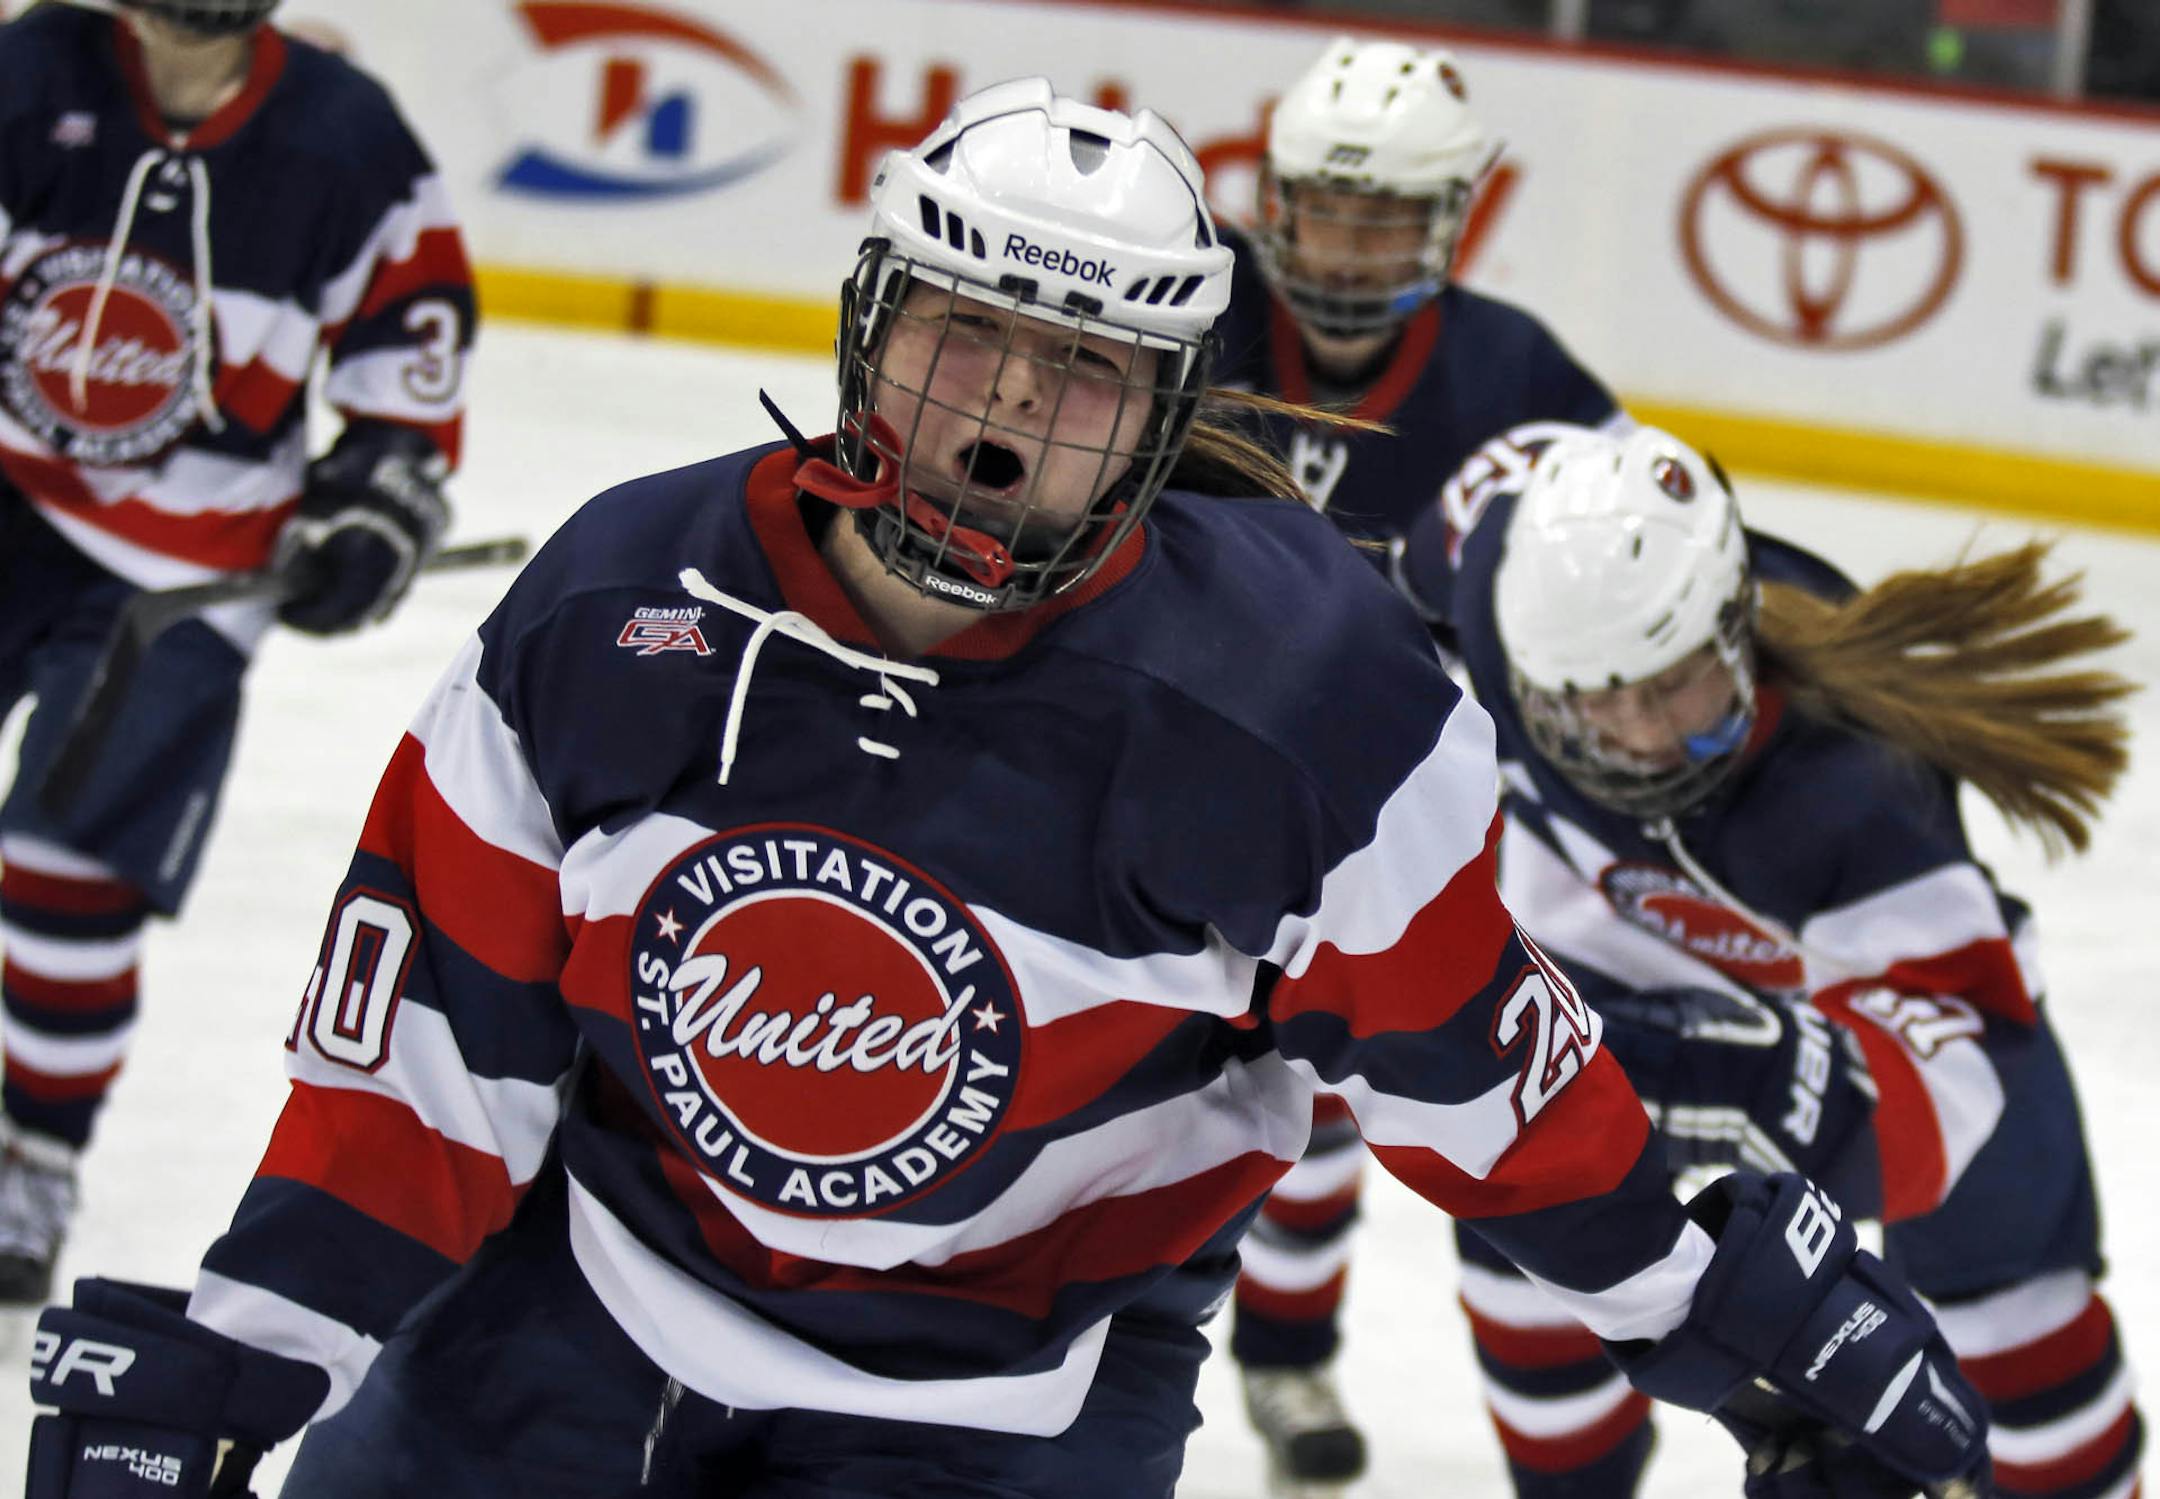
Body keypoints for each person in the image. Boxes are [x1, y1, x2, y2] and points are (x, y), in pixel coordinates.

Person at [24, 81, 1989, 1499]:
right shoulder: (621, 602)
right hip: (577, 1303)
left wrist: (1715, 1307)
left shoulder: (1305, 704)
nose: (1004, 420)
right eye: (970, 337)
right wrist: (254, 1339)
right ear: (877, 331)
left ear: (1157, 421)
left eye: (1081, 377)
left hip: (1011, 1404)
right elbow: (427, 1065)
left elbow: (1483, 1080)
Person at [1395, 419, 2143, 1499]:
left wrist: (1733, 1078)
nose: (1644, 734)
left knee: (2015, 1311)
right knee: (1526, 1229)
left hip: (1875, 1006)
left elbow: (1945, 1103)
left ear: (1735, 622)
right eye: (1597, 703)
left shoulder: (1861, 793)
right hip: (1601, 925)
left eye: (1676, 682)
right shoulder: (1489, 565)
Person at [0, 0, 471, 1304]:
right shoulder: (28, 76)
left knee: (66, 865)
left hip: (189, 568)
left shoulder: (346, 139)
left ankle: (31, 1147)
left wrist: (372, 500)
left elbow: (407, 363)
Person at [1208, 37, 1630, 1493]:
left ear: (1448, 218)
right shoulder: (1195, 320)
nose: (1351, 244)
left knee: (1338, 1072)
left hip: (1390, 791)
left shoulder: (1513, 375)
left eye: (1390, 214)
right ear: (1276, 200)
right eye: (1331, 206)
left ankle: (1281, 1349)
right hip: (1179, 754)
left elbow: (1623, 561)